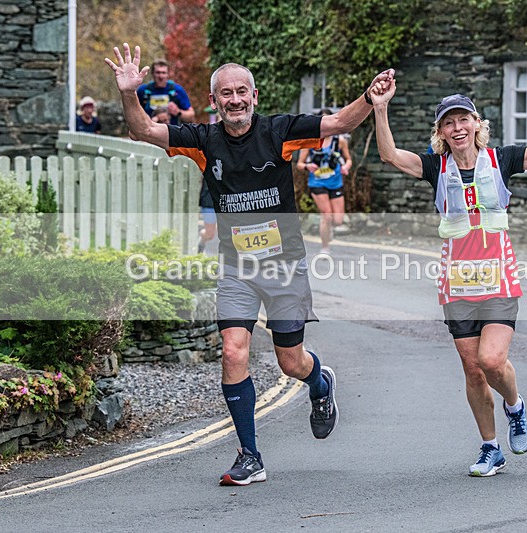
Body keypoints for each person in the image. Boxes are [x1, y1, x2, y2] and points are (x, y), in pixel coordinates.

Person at [105, 42, 394, 486]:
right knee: (233, 350)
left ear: (254, 96)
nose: (235, 99)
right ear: (213, 100)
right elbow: (143, 129)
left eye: (242, 91)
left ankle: (320, 384)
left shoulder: (280, 131)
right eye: (226, 93)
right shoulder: (203, 141)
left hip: (284, 267)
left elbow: (338, 123)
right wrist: (129, 92)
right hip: (237, 270)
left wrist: (370, 98)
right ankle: (250, 456)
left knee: (291, 363)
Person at [371, 73, 527, 476]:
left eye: (463, 119)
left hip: (498, 279)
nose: (457, 128)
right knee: (472, 370)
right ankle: (490, 448)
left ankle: (515, 408)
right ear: (441, 132)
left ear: (477, 124)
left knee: (492, 360)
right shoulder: (436, 167)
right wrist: (380, 109)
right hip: (456, 285)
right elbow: (390, 155)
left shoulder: (502, 160)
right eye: (449, 123)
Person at [296, 109, 352, 254]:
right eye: (323, 122)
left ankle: (329, 229)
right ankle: (325, 247)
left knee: (338, 220)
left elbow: (348, 160)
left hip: (335, 182)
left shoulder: (340, 141)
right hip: (317, 183)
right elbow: (299, 164)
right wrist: (307, 166)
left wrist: (345, 167)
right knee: (326, 215)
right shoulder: (310, 142)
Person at [136, 59, 195, 125]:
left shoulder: (177, 90)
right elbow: (133, 113)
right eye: (158, 72)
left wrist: (178, 112)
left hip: (172, 130)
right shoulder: (143, 91)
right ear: (152, 73)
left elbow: (191, 115)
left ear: (168, 74)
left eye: (163, 73)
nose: (161, 76)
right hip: (149, 129)